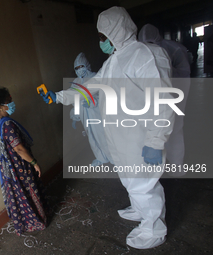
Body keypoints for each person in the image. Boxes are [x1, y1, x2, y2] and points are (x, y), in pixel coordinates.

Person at [41, 6, 175, 249]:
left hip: (139, 138)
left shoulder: (145, 55)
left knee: (144, 185)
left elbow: (163, 101)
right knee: (130, 180)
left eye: (103, 36)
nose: (101, 41)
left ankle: (154, 228)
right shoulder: (114, 61)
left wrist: (156, 141)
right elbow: (90, 86)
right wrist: (59, 97)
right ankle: (138, 209)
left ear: (116, 31)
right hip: (122, 139)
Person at [0, 87, 48, 236]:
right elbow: (19, 149)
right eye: (9, 102)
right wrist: (34, 163)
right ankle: (37, 220)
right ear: (0, 107)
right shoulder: (7, 124)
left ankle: (27, 222)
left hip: (10, 169)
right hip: (19, 166)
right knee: (29, 190)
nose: (12, 104)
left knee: (20, 195)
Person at [138, 24, 190, 176]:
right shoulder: (140, 52)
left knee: (175, 127)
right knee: (158, 124)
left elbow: (184, 72)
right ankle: (160, 163)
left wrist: (166, 74)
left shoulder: (174, 49)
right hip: (155, 91)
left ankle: (177, 167)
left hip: (176, 88)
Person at [70, 52, 113, 166]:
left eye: (81, 67)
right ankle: (101, 158)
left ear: (86, 65)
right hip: (85, 115)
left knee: (104, 136)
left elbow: (105, 95)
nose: (79, 70)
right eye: (77, 68)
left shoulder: (95, 77)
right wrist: (75, 116)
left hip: (97, 113)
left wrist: (93, 102)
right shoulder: (75, 82)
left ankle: (114, 158)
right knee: (92, 137)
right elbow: (75, 100)